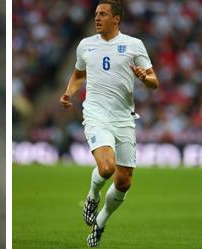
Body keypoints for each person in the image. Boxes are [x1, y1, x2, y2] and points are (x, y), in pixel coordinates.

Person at [59, 0, 159, 247]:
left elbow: (154, 81)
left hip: (124, 118)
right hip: (96, 115)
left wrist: (145, 78)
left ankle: (100, 222)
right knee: (106, 168)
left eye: (103, 14)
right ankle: (92, 196)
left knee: (124, 181)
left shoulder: (134, 45)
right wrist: (69, 93)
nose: (97, 18)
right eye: (96, 14)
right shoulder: (85, 46)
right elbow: (79, 74)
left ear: (116, 19)